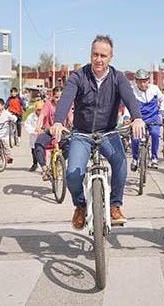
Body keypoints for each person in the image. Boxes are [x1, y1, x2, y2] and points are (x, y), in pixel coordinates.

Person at [49, 35, 145, 230]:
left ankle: (115, 205)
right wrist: (58, 121)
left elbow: (129, 98)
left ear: (111, 57)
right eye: (95, 55)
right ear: (90, 55)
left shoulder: (118, 78)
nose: (98, 59)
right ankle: (81, 206)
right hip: (82, 134)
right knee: (73, 174)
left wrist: (137, 117)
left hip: (108, 133)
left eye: (103, 55)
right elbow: (66, 98)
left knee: (119, 163)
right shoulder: (78, 76)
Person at [128, 69, 164, 170]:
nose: (142, 84)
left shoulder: (154, 89)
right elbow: (128, 105)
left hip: (153, 117)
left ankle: (154, 158)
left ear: (148, 80)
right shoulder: (132, 90)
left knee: (155, 134)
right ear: (136, 81)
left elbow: (163, 100)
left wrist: (162, 112)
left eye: (144, 81)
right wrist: (127, 117)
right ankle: (135, 158)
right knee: (135, 138)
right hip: (138, 118)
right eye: (139, 81)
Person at [33, 86, 73, 174]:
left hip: (62, 132)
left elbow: (71, 117)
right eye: (56, 97)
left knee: (70, 147)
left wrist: (74, 126)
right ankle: (44, 168)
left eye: (61, 97)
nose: (58, 100)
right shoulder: (48, 104)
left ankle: (60, 161)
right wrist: (38, 127)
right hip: (49, 131)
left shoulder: (67, 105)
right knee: (38, 144)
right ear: (52, 97)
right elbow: (42, 115)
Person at [24, 100, 44, 172]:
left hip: (43, 135)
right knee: (34, 151)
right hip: (33, 136)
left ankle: (44, 166)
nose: (39, 111)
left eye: (41, 110)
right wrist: (33, 131)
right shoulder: (31, 117)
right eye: (38, 110)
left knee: (42, 151)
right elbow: (26, 125)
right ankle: (35, 164)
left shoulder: (45, 116)